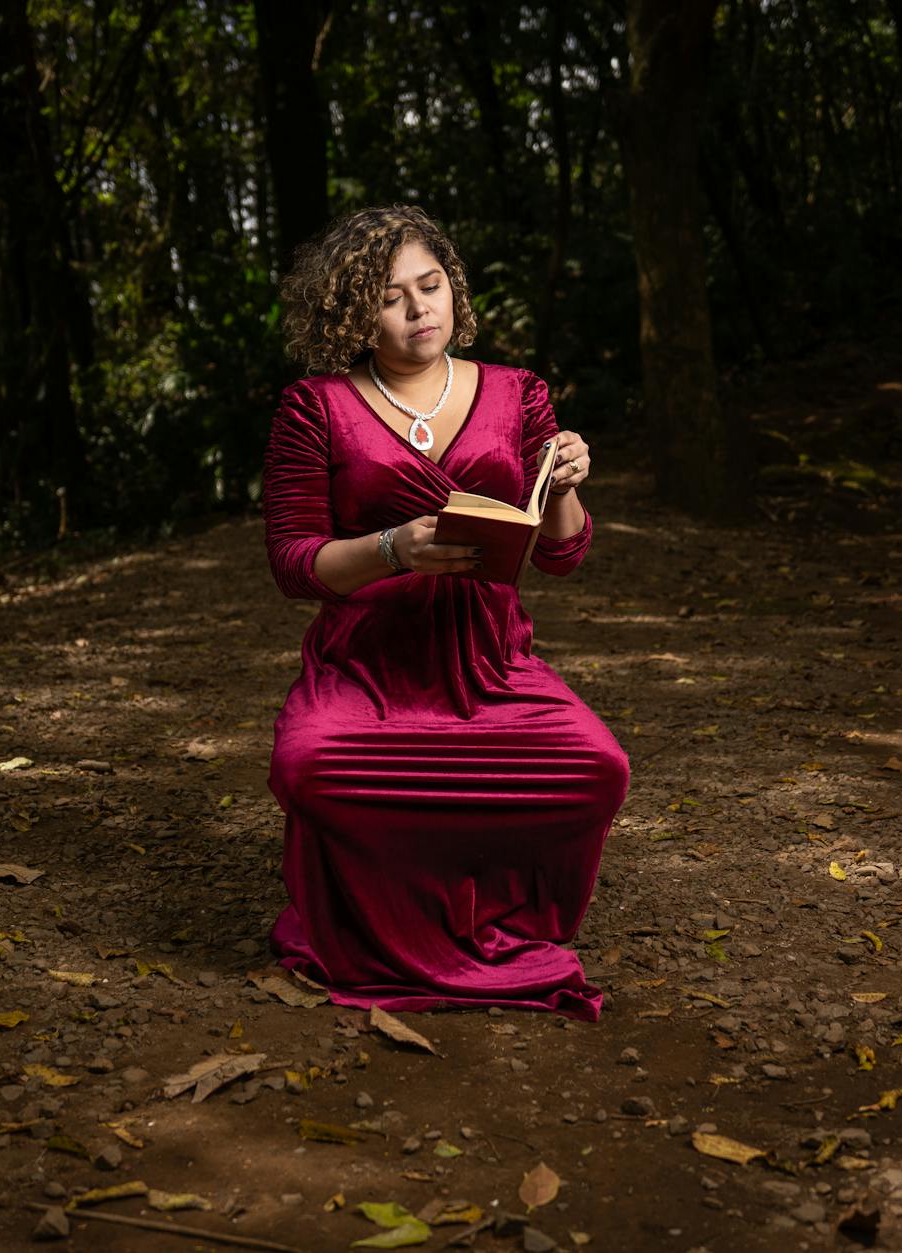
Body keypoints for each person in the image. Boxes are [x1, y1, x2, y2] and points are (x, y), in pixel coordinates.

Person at [262, 204, 630, 1021]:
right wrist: (391, 549)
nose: (419, 307)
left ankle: (491, 919)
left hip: (492, 665)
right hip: (370, 666)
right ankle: (377, 924)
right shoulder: (313, 407)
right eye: (391, 296)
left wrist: (564, 485)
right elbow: (293, 561)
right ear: (355, 311)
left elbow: (563, 554)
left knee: (597, 768)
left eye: (431, 286)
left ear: (454, 292)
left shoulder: (517, 392)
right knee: (308, 767)